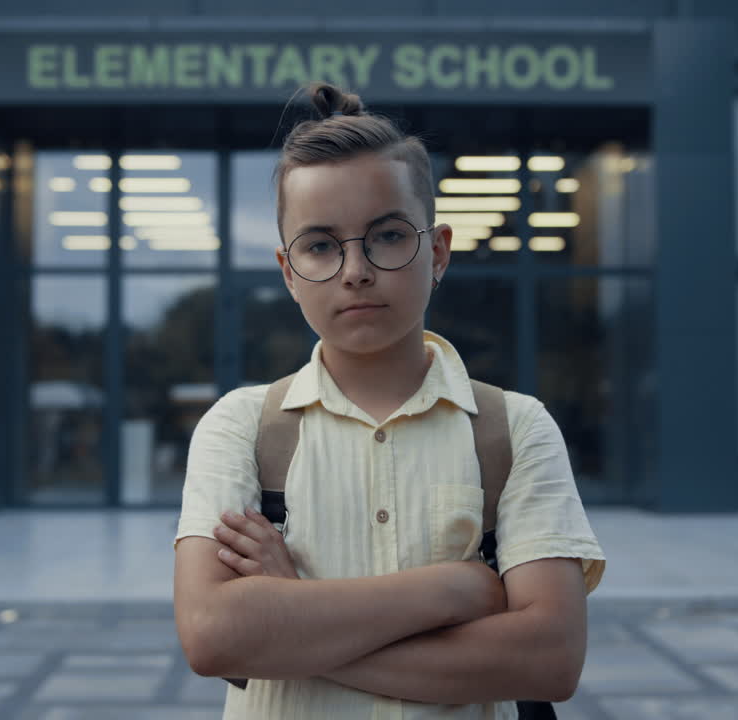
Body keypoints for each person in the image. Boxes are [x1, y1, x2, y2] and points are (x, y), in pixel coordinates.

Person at [172, 82, 607, 719]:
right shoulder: (241, 428)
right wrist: (455, 588)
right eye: (320, 245)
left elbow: (550, 658)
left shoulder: (514, 429)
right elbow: (213, 635)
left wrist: (291, 610)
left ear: (437, 251)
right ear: (288, 273)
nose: (355, 270)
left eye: (388, 237)